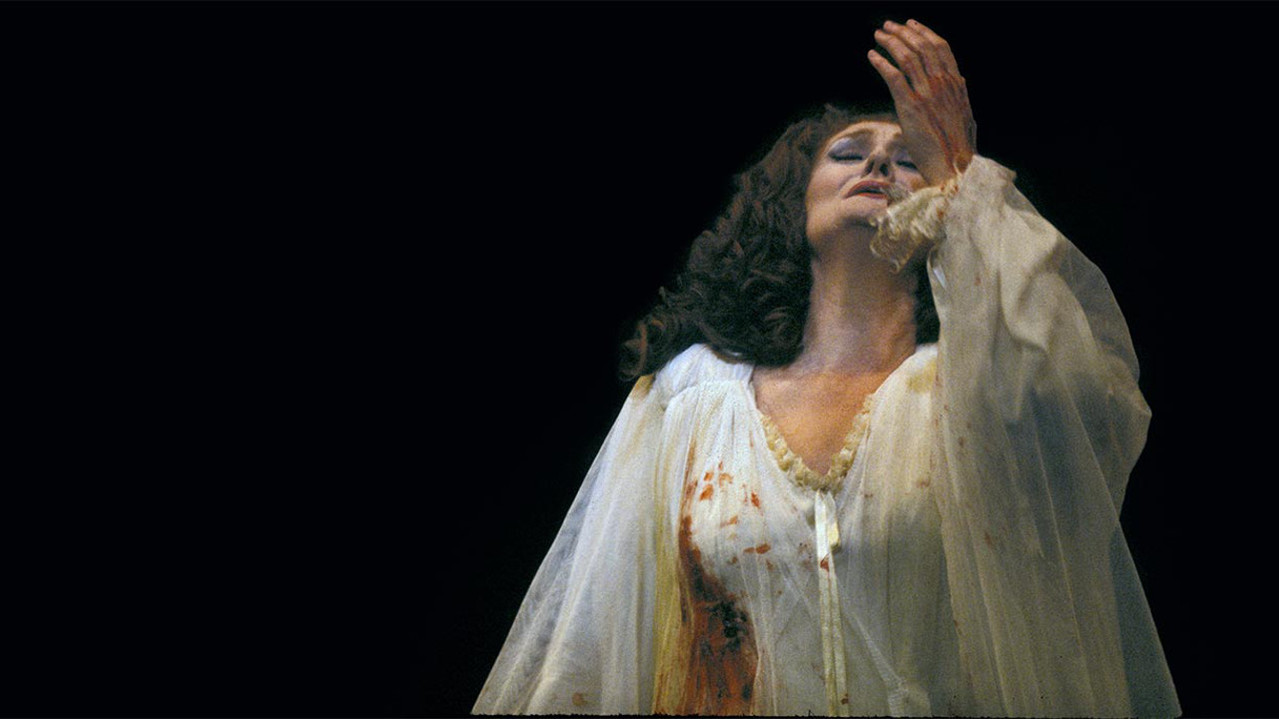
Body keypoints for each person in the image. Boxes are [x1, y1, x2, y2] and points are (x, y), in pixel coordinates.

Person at [472, 19, 1179, 717]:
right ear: (794, 200)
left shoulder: (975, 386)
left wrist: (961, 170)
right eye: (848, 153)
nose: (879, 166)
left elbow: (1081, 406)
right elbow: (592, 633)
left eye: (908, 159)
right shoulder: (691, 395)